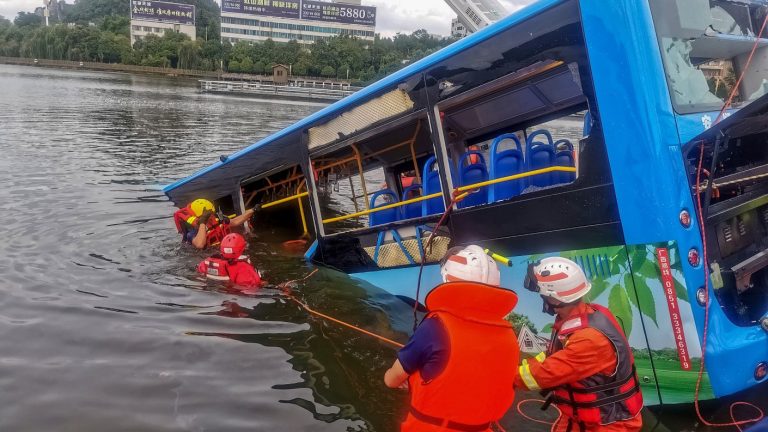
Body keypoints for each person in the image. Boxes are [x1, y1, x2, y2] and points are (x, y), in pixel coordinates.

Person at [383, 245, 520, 432]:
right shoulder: (509, 335)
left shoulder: (435, 327)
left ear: (447, 279)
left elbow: (392, 380)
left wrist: (406, 378)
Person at [515, 257, 643, 432]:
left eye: (543, 295)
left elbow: (545, 374)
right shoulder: (582, 316)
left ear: (554, 300)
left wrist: (507, 377)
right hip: (581, 417)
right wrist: (518, 365)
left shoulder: (589, 340)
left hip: (609, 424)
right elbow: (554, 356)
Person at [173, 198, 259, 249]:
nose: (212, 217)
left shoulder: (216, 220)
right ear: (199, 217)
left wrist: (252, 210)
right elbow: (200, 245)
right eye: (208, 216)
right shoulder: (192, 232)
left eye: (211, 214)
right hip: (206, 256)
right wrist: (203, 223)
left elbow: (235, 221)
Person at [197, 233, 263, 291]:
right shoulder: (243, 267)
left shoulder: (206, 262)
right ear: (242, 248)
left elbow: (199, 272)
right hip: (231, 292)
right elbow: (251, 288)